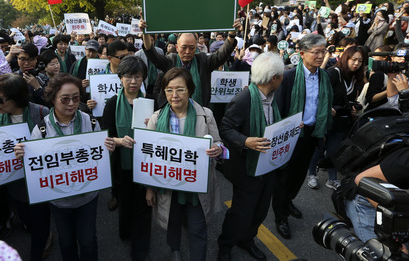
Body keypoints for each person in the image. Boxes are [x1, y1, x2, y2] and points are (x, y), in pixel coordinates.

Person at [14, 73, 115, 261]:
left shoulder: (90, 122)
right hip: (59, 200)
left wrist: (107, 149)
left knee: (88, 241)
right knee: (66, 241)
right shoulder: (41, 130)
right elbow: (35, 167)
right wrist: (23, 156)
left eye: (76, 98)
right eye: (65, 99)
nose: (71, 104)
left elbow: (99, 157)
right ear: (52, 99)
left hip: (87, 196)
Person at [145, 68, 223, 261]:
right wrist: (149, 188)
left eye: (180, 89)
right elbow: (148, 158)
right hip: (168, 186)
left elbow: (220, 144)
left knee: (198, 227)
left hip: (196, 187)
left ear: (190, 90)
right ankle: (175, 251)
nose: (174, 95)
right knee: (172, 222)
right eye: (169, 90)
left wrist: (219, 150)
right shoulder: (155, 119)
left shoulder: (205, 115)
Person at [217, 52, 285, 261]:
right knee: (241, 211)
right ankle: (225, 245)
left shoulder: (274, 97)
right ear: (274, 78)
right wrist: (245, 141)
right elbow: (225, 128)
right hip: (247, 167)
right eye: (281, 75)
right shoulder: (244, 98)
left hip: (268, 165)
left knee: (261, 209)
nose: (283, 78)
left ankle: (247, 239)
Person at [271, 34, 333, 239]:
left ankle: (288, 202)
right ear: (302, 53)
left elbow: (321, 105)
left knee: (298, 175)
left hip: (312, 133)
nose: (320, 55)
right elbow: (277, 108)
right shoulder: (288, 77)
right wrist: (287, 126)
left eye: (323, 51)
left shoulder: (324, 76)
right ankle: (280, 216)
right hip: (291, 134)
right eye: (316, 52)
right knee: (283, 176)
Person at [0, 73, 50, 261]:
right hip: (14, 182)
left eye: (0, 99)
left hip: (40, 181)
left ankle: (37, 252)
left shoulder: (42, 113)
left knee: (40, 222)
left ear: (17, 97)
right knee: (25, 215)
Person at [102, 56, 151, 260]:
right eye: (128, 77)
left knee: (144, 206)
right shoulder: (112, 104)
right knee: (126, 201)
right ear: (120, 78)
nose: (133, 82)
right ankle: (125, 232)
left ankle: (140, 249)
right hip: (122, 166)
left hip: (146, 164)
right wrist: (120, 141)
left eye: (137, 77)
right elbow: (105, 137)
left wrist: (153, 125)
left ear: (143, 79)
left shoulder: (150, 102)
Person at [139, 18, 240, 107]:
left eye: (192, 48)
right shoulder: (170, 61)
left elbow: (221, 55)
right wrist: (145, 33)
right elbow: (153, 55)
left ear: (196, 47)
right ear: (177, 48)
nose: (187, 52)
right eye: (184, 47)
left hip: (199, 112)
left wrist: (231, 35)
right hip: (172, 113)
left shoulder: (203, 61)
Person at [307, 46, 367, 191]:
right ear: (346, 58)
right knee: (319, 146)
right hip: (326, 117)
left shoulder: (354, 77)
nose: (356, 63)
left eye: (360, 60)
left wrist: (353, 107)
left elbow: (349, 98)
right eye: (353, 59)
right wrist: (327, 107)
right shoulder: (334, 73)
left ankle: (332, 179)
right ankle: (312, 175)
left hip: (342, 120)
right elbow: (318, 91)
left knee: (335, 150)